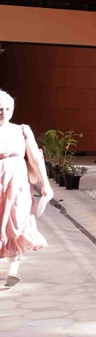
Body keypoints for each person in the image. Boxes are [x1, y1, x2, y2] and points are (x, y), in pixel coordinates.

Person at [0, 90, 52, 289]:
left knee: (16, 222)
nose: (3, 112)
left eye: (7, 108)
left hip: (17, 184)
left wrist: (46, 185)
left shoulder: (22, 130)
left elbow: (35, 159)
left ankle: (13, 270)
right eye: (0, 109)